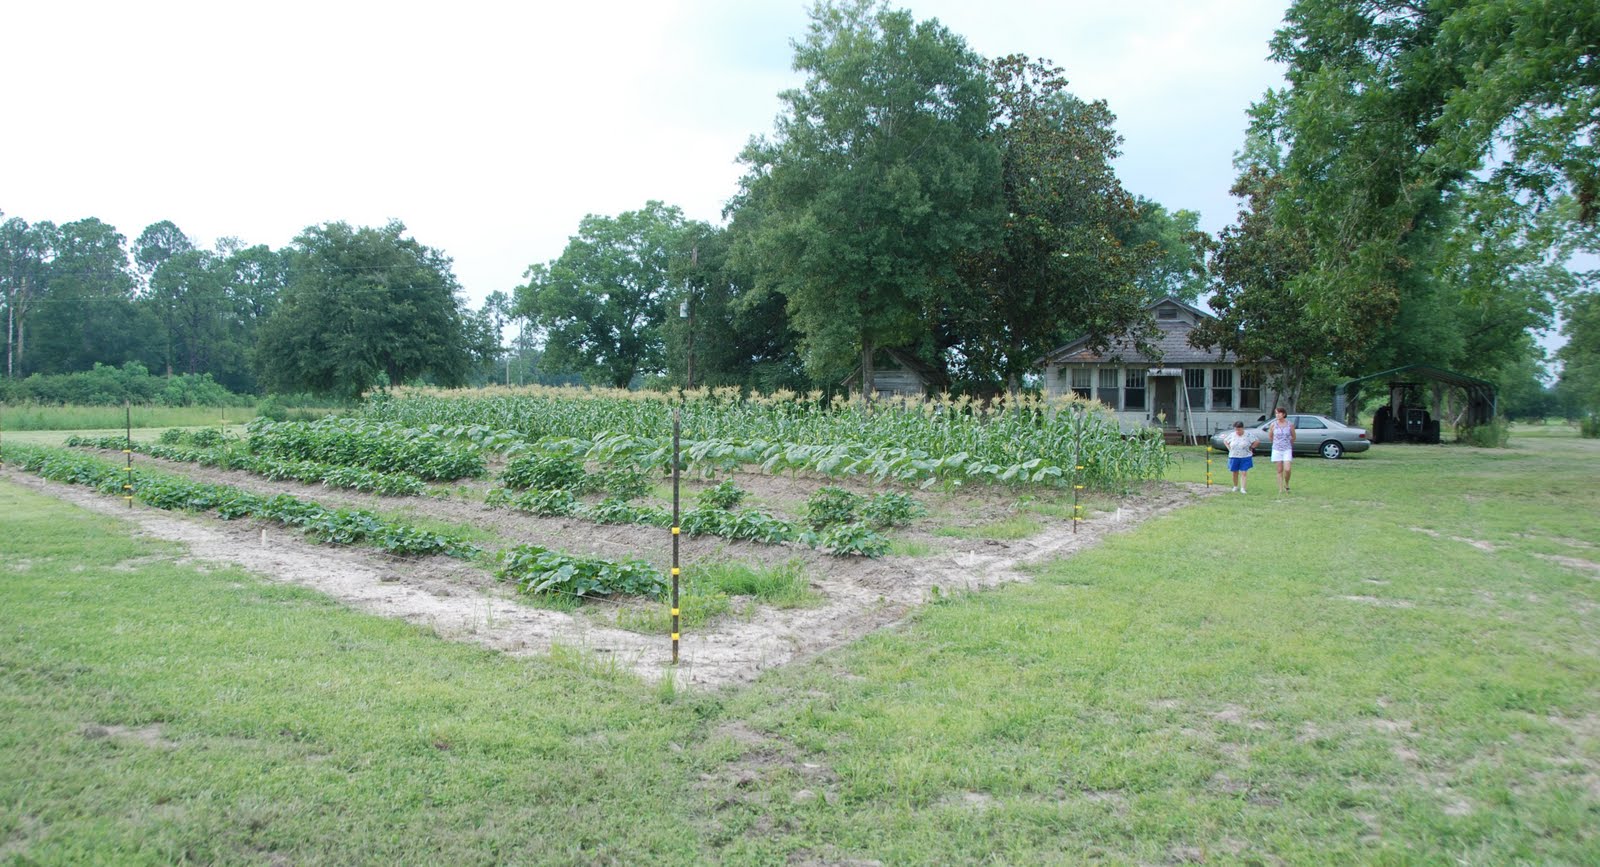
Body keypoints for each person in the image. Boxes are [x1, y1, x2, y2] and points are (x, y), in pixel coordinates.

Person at [1221, 421, 1255, 493]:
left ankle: (1243, 488)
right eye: (1236, 429)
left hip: (1245, 456)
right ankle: (1235, 486)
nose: (1237, 431)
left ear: (1242, 428)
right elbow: (1225, 441)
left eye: (1239, 429)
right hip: (1234, 455)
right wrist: (1229, 448)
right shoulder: (1232, 435)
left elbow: (1256, 441)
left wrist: (1251, 447)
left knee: (1244, 472)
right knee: (1234, 472)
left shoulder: (1248, 435)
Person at [1268, 407, 1295, 493]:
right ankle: (1280, 489)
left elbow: (1293, 437)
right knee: (1279, 470)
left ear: (1283, 414)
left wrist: (1288, 444)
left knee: (1287, 469)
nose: (1277, 415)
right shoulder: (1273, 424)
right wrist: (1275, 444)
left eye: (1279, 413)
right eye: (1276, 413)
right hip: (1277, 449)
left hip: (1287, 449)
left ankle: (1286, 483)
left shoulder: (1290, 424)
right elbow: (1270, 436)